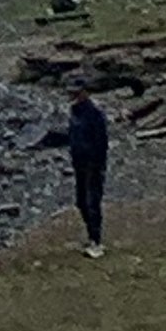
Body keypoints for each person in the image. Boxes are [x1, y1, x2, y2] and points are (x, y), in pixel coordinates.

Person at [55, 82, 108, 255]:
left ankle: (96, 241)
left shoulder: (94, 114)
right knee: (81, 201)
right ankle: (91, 237)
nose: (72, 97)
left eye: (76, 93)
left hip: (93, 165)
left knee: (92, 201)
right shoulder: (74, 113)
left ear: (85, 93)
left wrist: (97, 163)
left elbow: (102, 142)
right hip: (79, 163)